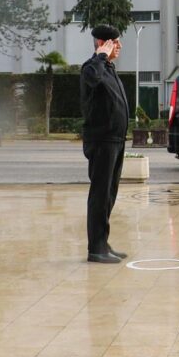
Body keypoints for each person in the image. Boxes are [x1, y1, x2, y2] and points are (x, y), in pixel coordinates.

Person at [80, 25, 130, 264]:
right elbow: (92, 78)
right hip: (102, 140)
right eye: (115, 43)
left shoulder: (108, 68)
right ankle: (95, 249)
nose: (119, 47)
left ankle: (103, 242)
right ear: (103, 43)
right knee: (100, 194)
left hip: (115, 140)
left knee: (109, 194)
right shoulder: (92, 66)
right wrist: (101, 55)